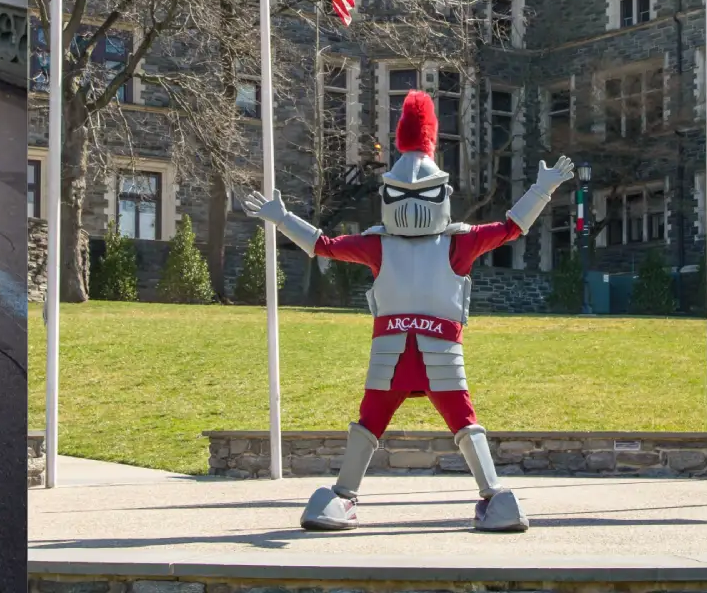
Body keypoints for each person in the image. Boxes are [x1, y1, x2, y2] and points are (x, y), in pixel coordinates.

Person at [244, 91, 574, 534]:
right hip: (403, 355)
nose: (413, 203)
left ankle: (489, 496)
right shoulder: (416, 243)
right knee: (383, 423)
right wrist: (284, 219)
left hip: (417, 353)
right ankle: (351, 497)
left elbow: (512, 227)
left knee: (451, 421)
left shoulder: (434, 242)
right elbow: (323, 243)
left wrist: (543, 187)